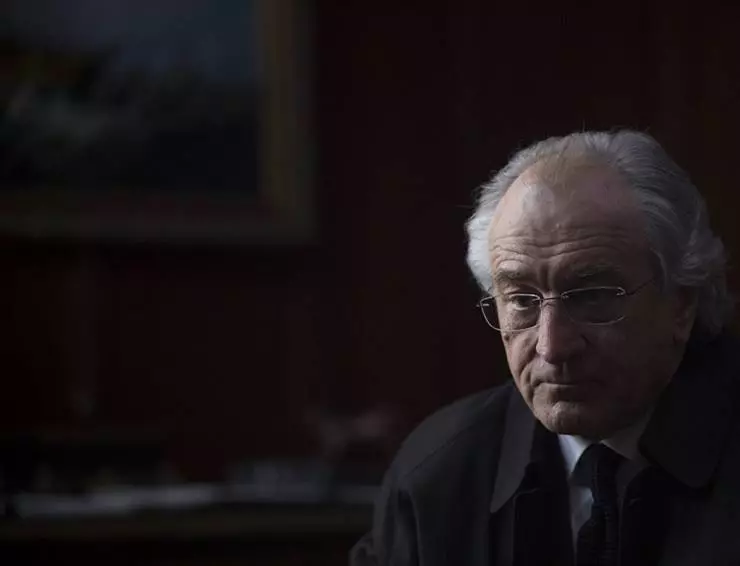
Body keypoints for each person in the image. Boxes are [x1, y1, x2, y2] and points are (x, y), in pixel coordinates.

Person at [350, 130, 740, 566]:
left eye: (593, 295)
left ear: (681, 304)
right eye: (521, 300)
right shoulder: (439, 475)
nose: (552, 347)